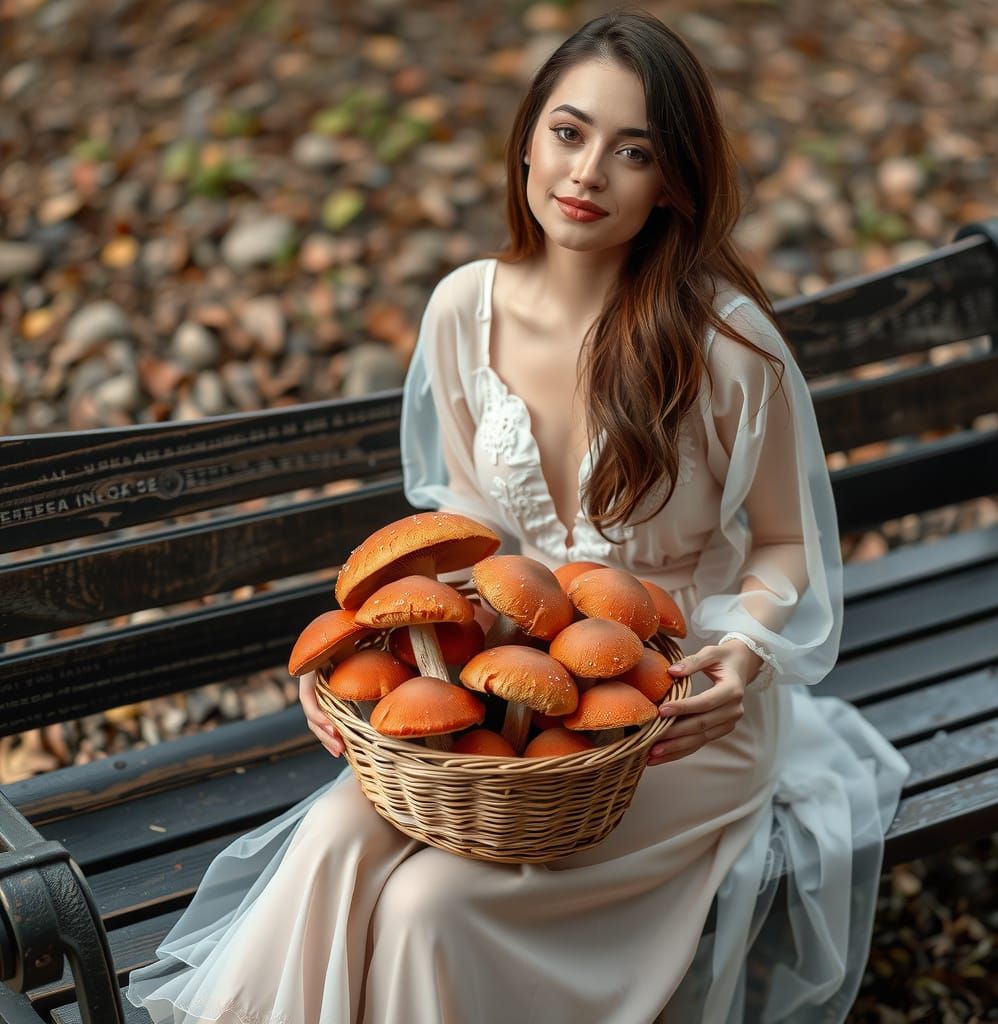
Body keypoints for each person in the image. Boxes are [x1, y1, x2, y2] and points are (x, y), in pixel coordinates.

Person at [127, 10, 909, 1023]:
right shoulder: (464, 308)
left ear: (672, 182)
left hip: (663, 707)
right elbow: (462, 533)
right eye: (569, 132)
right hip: (510, 674)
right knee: (328, 844)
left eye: (633, 152)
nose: (587, 173)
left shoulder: (724, 345)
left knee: (427, 909)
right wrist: (367, 671)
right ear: (528, 137)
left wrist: (747, 651)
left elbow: (782, 541)